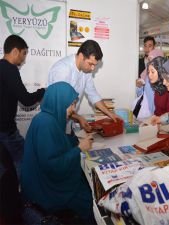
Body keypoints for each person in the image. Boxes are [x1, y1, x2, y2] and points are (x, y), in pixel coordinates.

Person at [21, 82, 95, 223]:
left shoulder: (48, 117)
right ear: (59, 101)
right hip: (44, 188)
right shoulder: (46, 124)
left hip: (40, 178)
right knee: (87, 197)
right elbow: (54, 166)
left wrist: (76, 141)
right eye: (71, 104)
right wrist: (79, 148)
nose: (73, 110)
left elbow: (58, 141)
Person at [48, 39, 119, 133]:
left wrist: (110, 114)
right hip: (52, 120)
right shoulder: (62, 69)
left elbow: (93, 94)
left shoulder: (86, 71)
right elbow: (59, 104)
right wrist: (79, 118)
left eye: (95, 65)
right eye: (91, 64)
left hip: (67, 119)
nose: (93, 68)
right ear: (81, 56)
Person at [0, 35, 45, 178]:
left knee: (4, 165)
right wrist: (43, 91)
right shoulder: (10, 70)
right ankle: (26, 195)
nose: (24, 59)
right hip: (6, 130)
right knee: (25, 161)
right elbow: (26, 100)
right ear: (15, 51)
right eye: (24, 53)